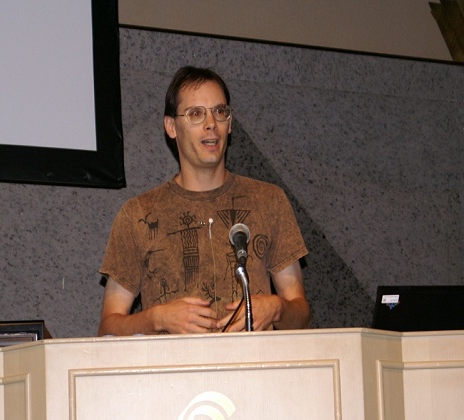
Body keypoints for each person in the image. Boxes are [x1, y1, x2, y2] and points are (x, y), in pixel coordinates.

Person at [98, 66, 310, 335]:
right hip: (171, 364)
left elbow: (301, 317)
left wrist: (276, 308)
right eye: (196, 114)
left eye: (220, 112)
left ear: (229, 124)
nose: (211, 123)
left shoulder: (269, 201)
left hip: (255, 362)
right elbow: (107, 328)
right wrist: (157, 319)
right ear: (171, 127)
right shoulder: (138, 214)